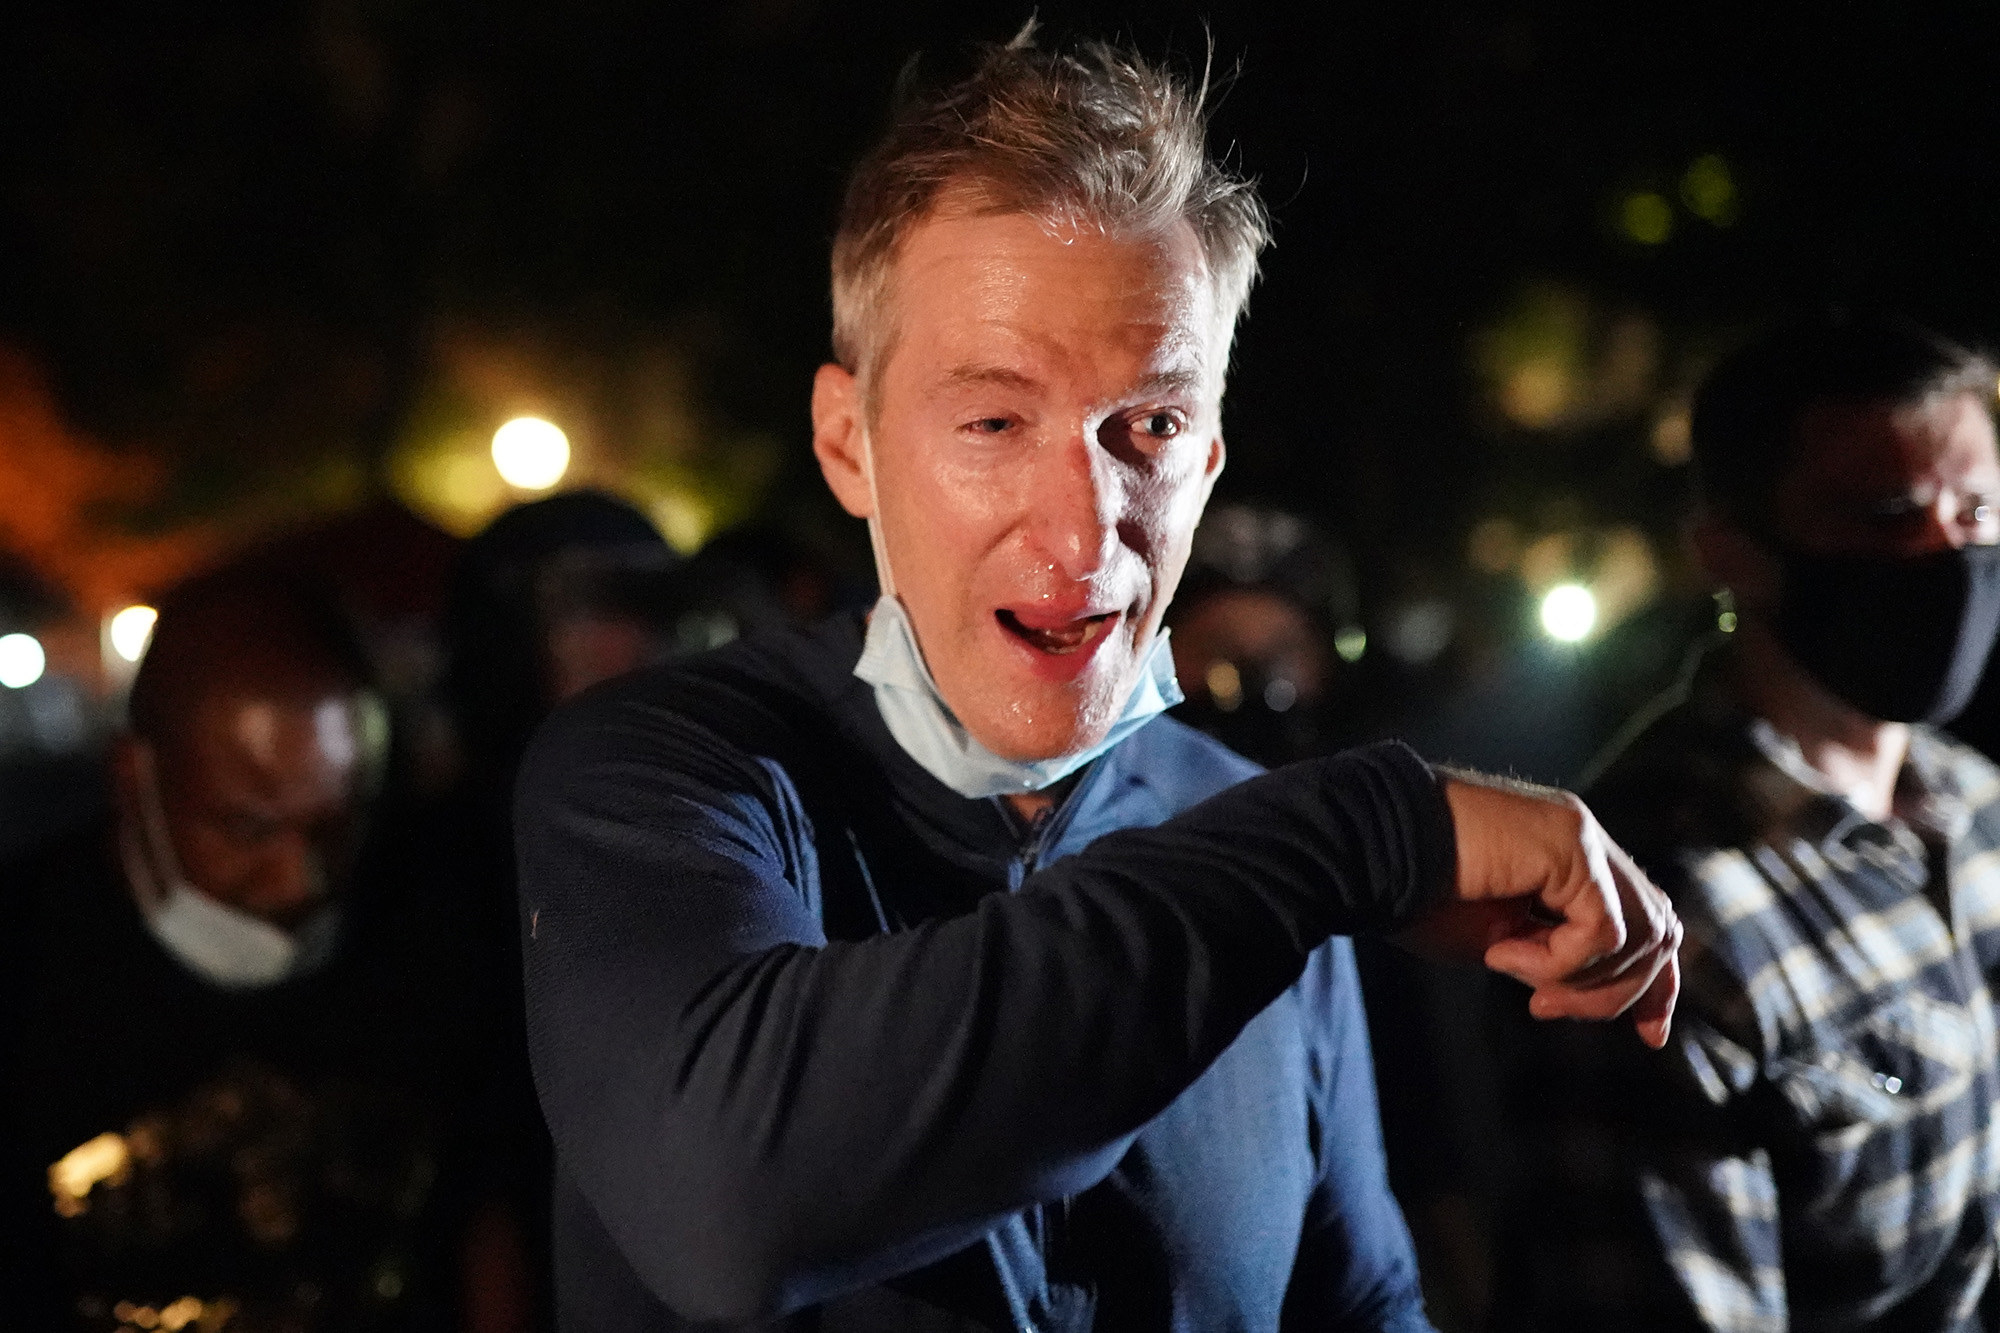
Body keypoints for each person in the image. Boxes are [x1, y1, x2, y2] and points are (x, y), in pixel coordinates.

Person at [516, 31, 1680, 1333]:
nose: (1083, 533)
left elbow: (1359, 1298)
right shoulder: (662, 770)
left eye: (1153, 427)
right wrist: (1353, 833)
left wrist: (1314, 849)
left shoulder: (1264, 836)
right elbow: (730, 1200)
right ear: (851, 447)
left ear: (1212, 457)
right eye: (994, 422)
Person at [1497, 312, 2000, 1332]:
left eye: (1976, 510)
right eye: (1887, 513)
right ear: (1732, 553)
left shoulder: (1975, 805)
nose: (1944, 553)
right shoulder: (1652, 905)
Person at [1, 567, 512, 1332]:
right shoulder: (24, 962)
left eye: (337, 822)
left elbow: (488, 1210)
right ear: (134, 775)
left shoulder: (440, 922)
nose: (298, 879)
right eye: (247, 828)